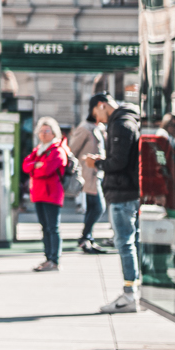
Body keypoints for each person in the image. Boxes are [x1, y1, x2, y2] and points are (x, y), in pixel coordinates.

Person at [86, 91, 144, 313]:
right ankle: (137, 291)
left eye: (96, 114)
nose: (98, 120)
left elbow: (118, 162)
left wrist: (98, 163)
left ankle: (130, 295)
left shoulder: (120, 124)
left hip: (122, 192)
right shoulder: (129, 120)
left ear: (102, 105)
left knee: (125, 243)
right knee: (132, 242)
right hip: (129, 191)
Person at [21, 117, 72, 271]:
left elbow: (46, 170)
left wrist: (35, 167)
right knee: (44, 228)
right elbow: (25, 165)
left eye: (47, 131)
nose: (43, 134)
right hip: (38, 194)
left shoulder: (58, 150)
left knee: (52, 227)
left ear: (53, 132)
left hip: (52, 194)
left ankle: (54, 260)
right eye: (41, 131)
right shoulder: (39, 150)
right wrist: (36, 165)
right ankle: (47, 258)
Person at [67, 108, 106, 254]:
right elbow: (72, 151)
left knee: (93, 207)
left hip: (97, 173)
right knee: (98, 207)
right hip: (87, 174)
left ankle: (87, 238)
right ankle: (85, 237)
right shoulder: (84, 129)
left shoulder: (99, 128)